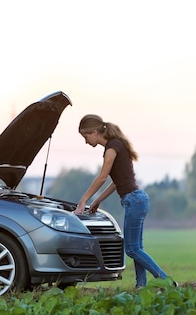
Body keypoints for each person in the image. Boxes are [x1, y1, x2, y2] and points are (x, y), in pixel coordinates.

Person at [74, 114, 174, 288]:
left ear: (95, 133)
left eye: (86, 137)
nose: (86, 142)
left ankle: (167, 282)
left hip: (134, 200)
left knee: (132, 249)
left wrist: (83, 200)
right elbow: (115, 183)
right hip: (138, 199)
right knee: (137, 248)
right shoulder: (117, 145)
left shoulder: (111, 148)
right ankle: (140, 286)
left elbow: (102, 177)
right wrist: (97, 201)